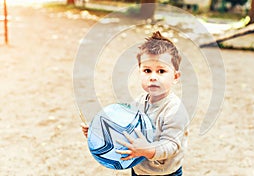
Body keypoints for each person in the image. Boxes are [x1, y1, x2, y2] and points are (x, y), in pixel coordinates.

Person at [81, 31, 189, 176]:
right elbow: (125, 130)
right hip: (138, 169)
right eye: (147, 70)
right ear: (139, 72)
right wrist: (99, 132)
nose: (153, 77)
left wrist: (148, 150)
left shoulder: (175, 110)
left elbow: (171, 145)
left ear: (175, 77)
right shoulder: (138, 102)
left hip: (165, 173)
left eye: (161, 71)